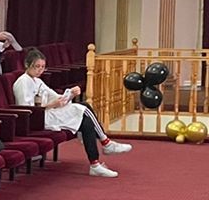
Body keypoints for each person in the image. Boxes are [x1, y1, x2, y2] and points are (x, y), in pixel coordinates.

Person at [12, 48, 130, 177]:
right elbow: (27, 109)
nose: (40, 70)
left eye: (43, 67)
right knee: (84, 111)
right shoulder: (23, 82)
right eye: (37, 66)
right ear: (27, 65)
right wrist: (51, 105)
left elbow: (56, 96)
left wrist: (70, 94)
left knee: (85, 115)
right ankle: (104, 144)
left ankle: (96, 161)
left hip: (47, 113)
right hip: (37, 119)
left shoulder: (37, 81)